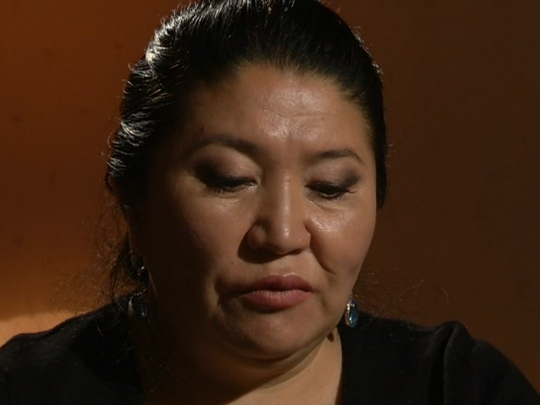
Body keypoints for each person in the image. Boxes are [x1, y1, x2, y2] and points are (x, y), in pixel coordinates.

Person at [0, 0, 538, 403]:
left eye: (329, 187)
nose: (282, 234)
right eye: (230, 179)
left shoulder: (459, 388)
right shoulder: (26, 390)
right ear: (134, 203)